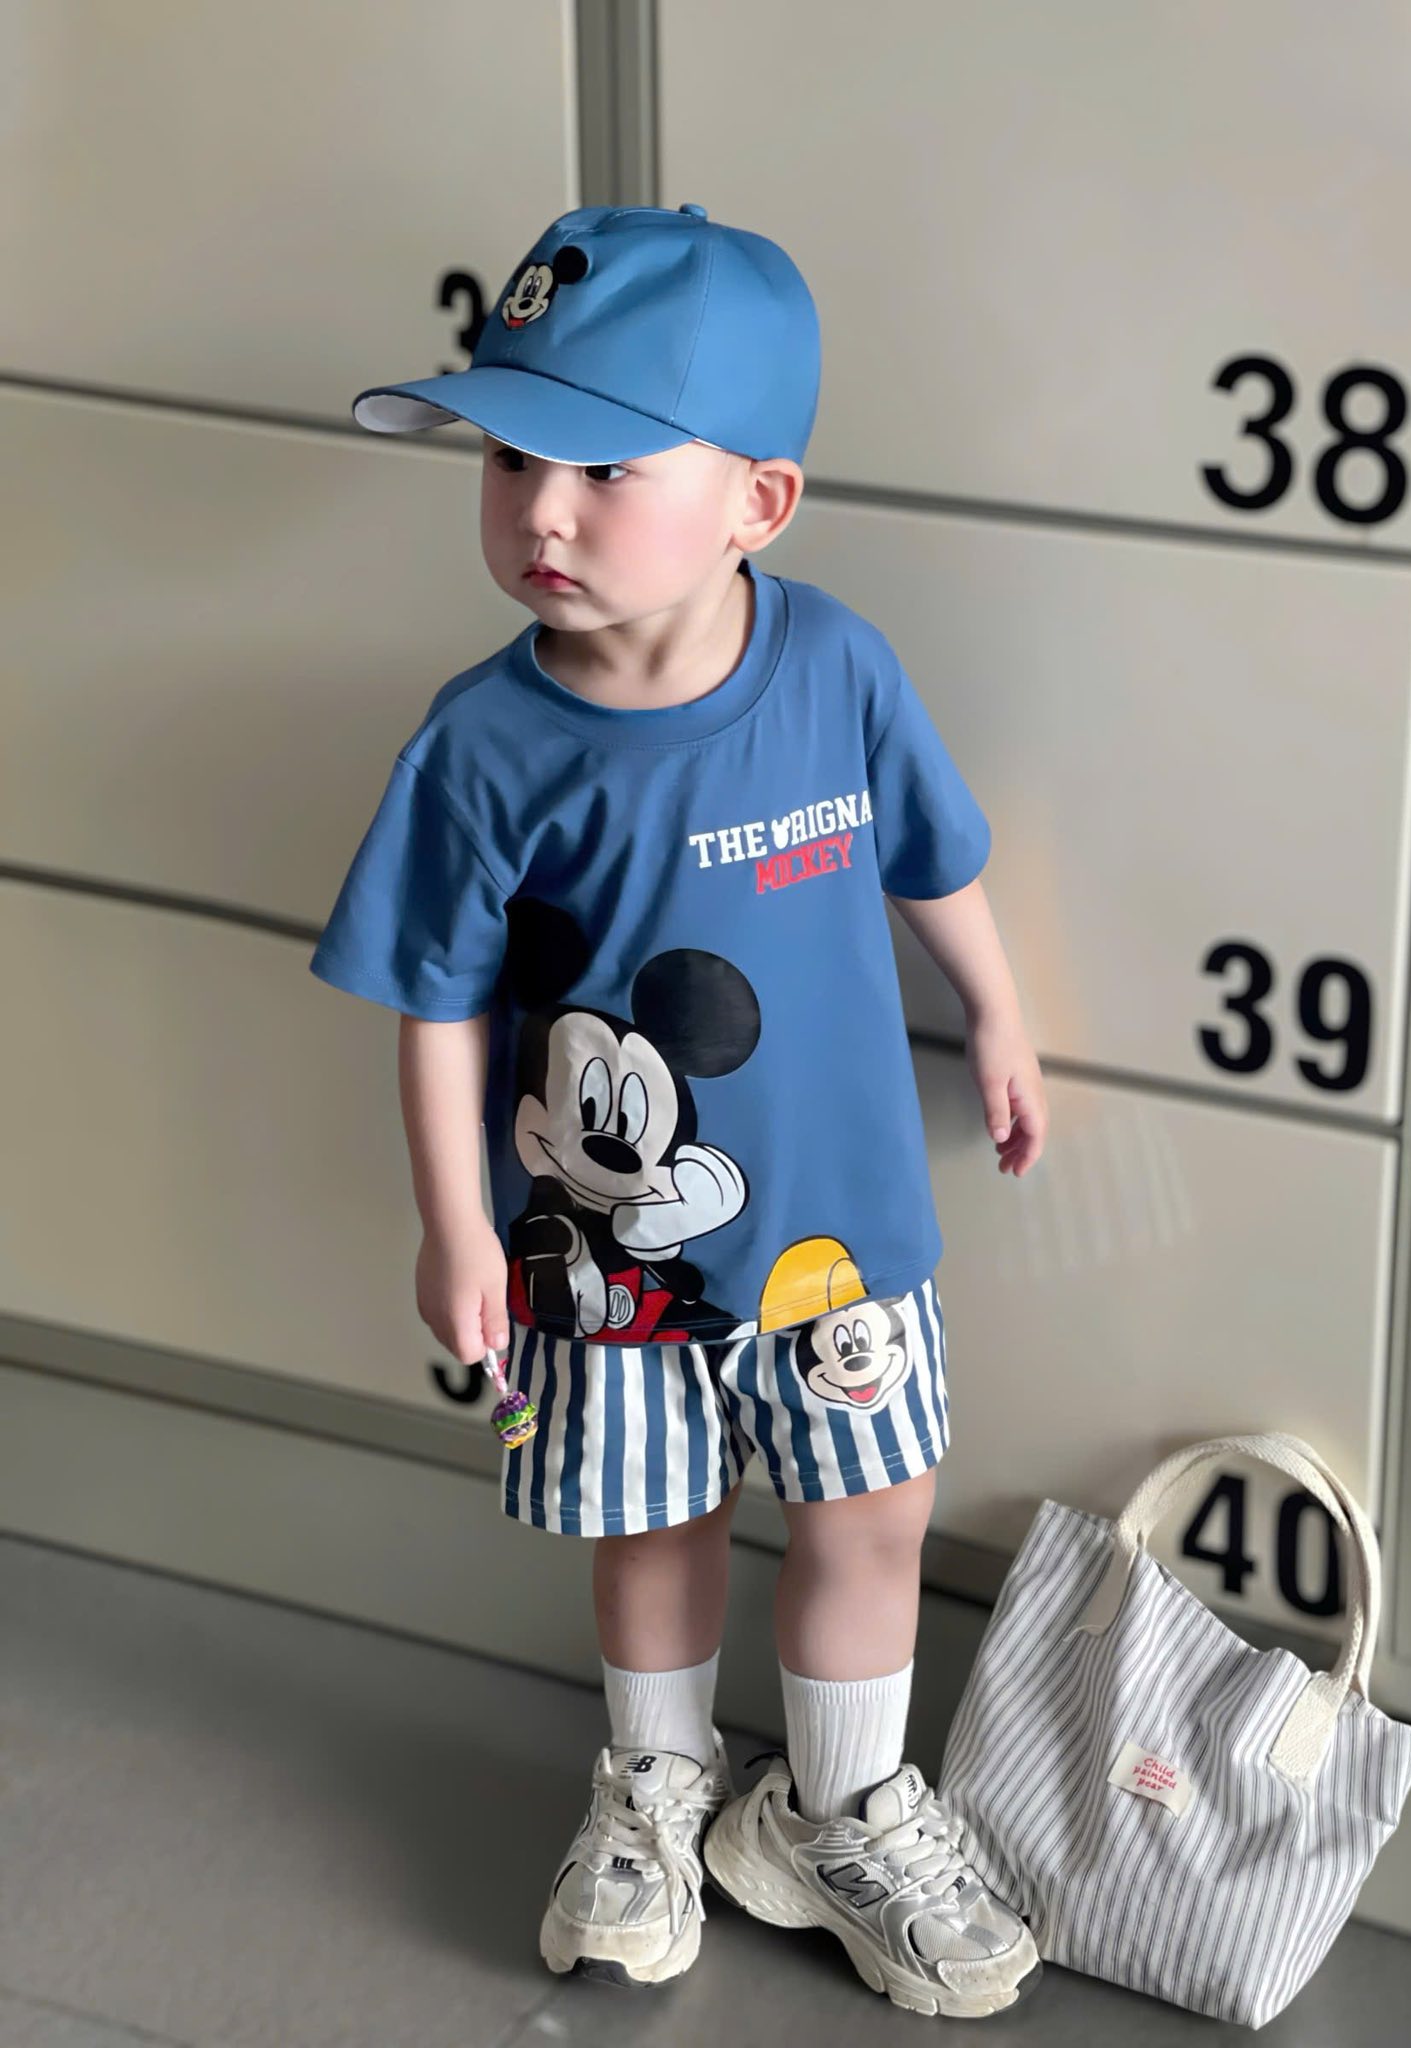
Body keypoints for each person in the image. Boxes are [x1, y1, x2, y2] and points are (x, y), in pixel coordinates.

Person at [309, 202, 1049, 2019]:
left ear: (755, 503)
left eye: (600, 468)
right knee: (652, 1524)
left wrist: (998, 1009)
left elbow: (934, 856)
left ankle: (840, 1811)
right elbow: (435, 1001)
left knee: (873, 1511)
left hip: (842, 1236)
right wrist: (455, 1226)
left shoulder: (839, 669)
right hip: (602, 1262)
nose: (538, 514)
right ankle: (655, 1789)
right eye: (507, 460)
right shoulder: (478, 746)